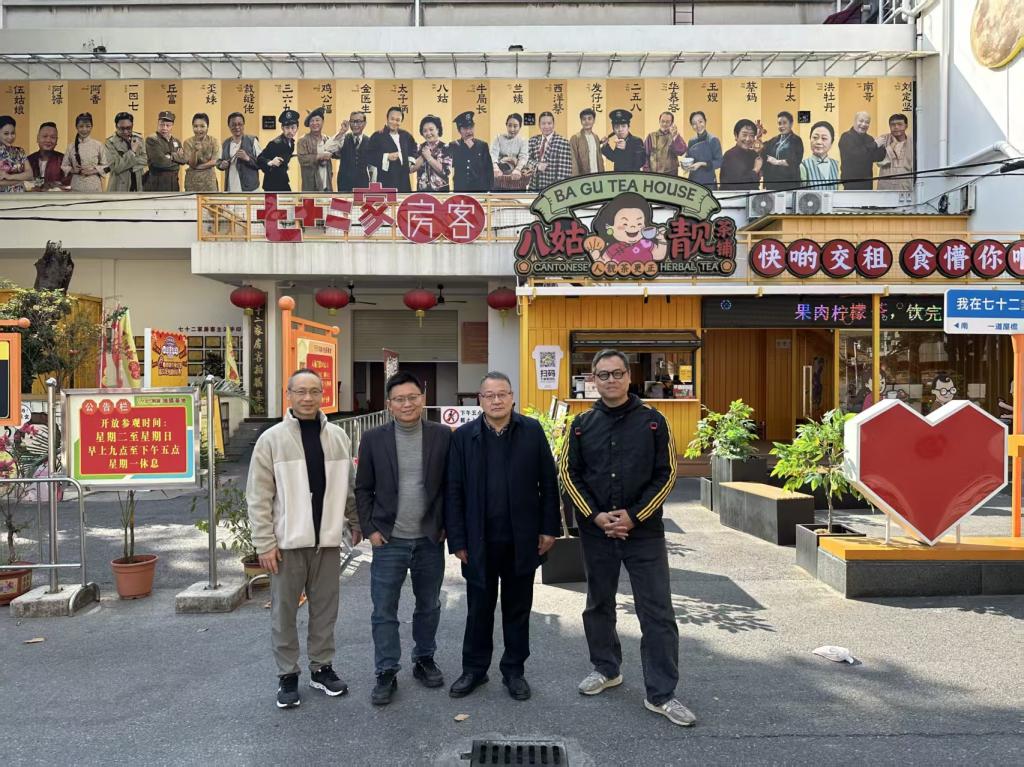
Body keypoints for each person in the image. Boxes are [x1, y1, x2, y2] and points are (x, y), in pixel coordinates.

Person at [561, 349, 693, 728]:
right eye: (603, 375)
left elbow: (667, 474)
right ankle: (606, 669)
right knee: (598, 603)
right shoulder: (581, 424)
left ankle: (662, 694)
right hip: (597, 533)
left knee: (657, 611)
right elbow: (569, 474)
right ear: (593, 380)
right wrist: (596, 515)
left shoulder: (654, 421)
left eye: (617, 373)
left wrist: (634, 516)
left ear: (628, 377)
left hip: (643, 533)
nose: (611, 380)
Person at [246, 368, 361, 709]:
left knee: (325, 610)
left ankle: (321, 668)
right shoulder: (272, 439)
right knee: (284, 612)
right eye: (301, 391)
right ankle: (287, 674)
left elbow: (349, 487)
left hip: (327, 541)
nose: (308, 398)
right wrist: (264, 542)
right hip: (287, 545)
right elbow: (258, 496)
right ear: (289, 395)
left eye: (314, 391)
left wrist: (355, 521)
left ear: (323, 395)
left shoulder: (338, 437)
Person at [445, 372, 560, 702]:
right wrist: (458, 540)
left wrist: (549, 528)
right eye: (489, 395)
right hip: (479, 541)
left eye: (502, 394)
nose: (496, 400)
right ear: (479, 400)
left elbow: (548, 482)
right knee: (478, 610)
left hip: (522, 539)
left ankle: (514, 671)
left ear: (512, 397)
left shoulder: (531, 431)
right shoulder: (464, 436)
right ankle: (474, 669)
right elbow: (453, 490)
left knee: (518, 609)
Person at [355, 371, 452, 706]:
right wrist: (370, 529)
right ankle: (386, 670)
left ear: (422, 399)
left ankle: (424, 659)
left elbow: (452, 486)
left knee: (429, 604)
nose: (407, 404)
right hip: (389, 539)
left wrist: (446, 526)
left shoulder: (442, 435)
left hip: (429, 539)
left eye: (412, 397)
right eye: (399, 399)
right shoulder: (373, 439)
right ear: (389, 404)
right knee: (384, 609)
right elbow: (363, 489)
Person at [368, 106, 417, 192]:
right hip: (385, 179)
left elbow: (414, 149)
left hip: (404, 179)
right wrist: (386, 157)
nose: (394, 122)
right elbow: (369, 156)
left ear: (401, 121)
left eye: (398, 120)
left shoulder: (406, 135)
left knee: (403, 199)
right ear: (387, 118)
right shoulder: (377, 136)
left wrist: (410, 161)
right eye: (392, 119)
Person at [298, 107, 345, 193]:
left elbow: (338, 154)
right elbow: (302, 159)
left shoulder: (326, 139)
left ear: (322, 122)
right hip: (310, 185)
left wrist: (341, 132)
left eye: (317, 120)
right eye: (312, 121)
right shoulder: (303, 140)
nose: (314, 123)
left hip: (327, 184)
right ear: (309, 124)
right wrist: (320, 156)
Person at [838, 111, 885, 190]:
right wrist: (875, 144)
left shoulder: (870, 139)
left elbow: (877, 158)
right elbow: (855, 155)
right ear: (855, 121)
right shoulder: (846, 137)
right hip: (851, 183)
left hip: (867, 183)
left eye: (867, 122)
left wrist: (881, 146)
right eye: (861, 121)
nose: (864, 124)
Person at [62, 112, 107, 193]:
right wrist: (74, 170)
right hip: (76, 186)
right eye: (81, 126)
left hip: (94, 187)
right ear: (76, 127)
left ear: (92, 127)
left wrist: (91, 171)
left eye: (88, 126)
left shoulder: (98, 145)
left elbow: (107, 167)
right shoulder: (71, 146)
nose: (84, 129)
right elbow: (64, 166)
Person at [527, 111, 572, 191]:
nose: (546, 126)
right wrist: (537, 165)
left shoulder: (563, 142)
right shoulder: (532, 140)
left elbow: (564, 173)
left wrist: (557, 191)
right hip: (533, 188)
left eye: (549, 123)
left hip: (552, 190)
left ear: (554, 124)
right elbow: (525, 160)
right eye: (543, 123)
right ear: (539, 125)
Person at [217, 112, 261, 193]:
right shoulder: (225, 143)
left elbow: (261, 163)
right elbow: (219, 162)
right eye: (233, 125)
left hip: (250, 189)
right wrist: (221, 165)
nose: (237, 127)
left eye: (240, 124)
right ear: (229, 126)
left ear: (243, 125)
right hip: (231, 187)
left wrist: (247, 158)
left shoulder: (252, 141)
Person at [103, 113, 147, 193]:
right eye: (122, 128)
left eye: (128, 128)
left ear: (132, 125)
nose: (125, 131)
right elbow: (116, 167)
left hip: (138, 184)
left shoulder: (139, 139)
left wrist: (125, 164)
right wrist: (132, 152)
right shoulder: (110, 143)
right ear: (116, 126)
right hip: (119, 186)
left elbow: (146, 159)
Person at [257, 109, 300, 192]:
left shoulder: (291, 142)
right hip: (271, 184)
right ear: (282, 128)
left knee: (289, 199)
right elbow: (259, 158)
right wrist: (270, 162)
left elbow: (285, 154)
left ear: (297, 128)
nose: (290, 131)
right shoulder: (275, 143)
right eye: (287, 128)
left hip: (282, 180)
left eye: (293, 128)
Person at [760, 111, 804, 191]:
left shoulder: (796, 140)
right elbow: (762, 151)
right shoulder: (774, 140)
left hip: (789, 183)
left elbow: (796, 160)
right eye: (779, 123)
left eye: (784, 123)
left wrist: (777, 162)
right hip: (773, 183)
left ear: (791, 124)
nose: (781, 126)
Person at [449, 111, 491, 192]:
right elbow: (449, 166)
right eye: (465, 128)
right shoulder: (453, 145)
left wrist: (489, 191)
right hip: (460, 190)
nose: (468, 131)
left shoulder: (482, 145)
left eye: (471, 127)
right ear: (459, 130)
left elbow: (489, 170)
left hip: (479, 190)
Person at [144, 111, 186, 192]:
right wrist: (177, 160)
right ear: (158, 123)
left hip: (174, 184)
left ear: (172, 125)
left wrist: (170, 156)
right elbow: (160, 162)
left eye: (168, 125)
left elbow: (184, 160)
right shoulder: (152, 139)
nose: (164, 128)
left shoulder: (176, 141)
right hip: (157, 184)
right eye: (162, 124)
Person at [411, 114, 452, 192]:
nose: (428, 133)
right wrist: (423, 156)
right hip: (421, 192)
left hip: (441, 193)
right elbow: (411, 169)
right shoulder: (419, 148)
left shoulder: (446, 147)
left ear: (438, 130)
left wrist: (429, 157)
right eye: (425, 131)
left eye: (431, 129)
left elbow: (445, 172)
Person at [719, 118, 763, 190]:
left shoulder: (754, 154)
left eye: (751, 135)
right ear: (736, 135)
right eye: (744, 135)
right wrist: (755, 170)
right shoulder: (729, 155)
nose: (748, 139)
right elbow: (738, 185)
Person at [683, 111, 723, 189]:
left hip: (708, 180)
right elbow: (688, 158)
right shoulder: (691, 141)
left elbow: (719, 162)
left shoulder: (713, 140)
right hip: (693, 180)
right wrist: (685, 165)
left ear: (705, 121)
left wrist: (701, 164)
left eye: (700, 121)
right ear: (691, 125)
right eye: (694, 123)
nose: (698, 125)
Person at [490, 112, 529, 191]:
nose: (512, 129)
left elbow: (523, 157)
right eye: (509, 125)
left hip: (516, 177)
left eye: (515, 126)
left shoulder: (523, 141)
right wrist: (495, 167)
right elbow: (493, 154)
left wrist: (518, 169)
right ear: (506, 125)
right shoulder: (498, 138)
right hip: (499, 174)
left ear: (520, 127)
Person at [875, 113, 914, 192]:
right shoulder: (883, 139)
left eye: (899, 124)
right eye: (893, 124)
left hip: (905, 187)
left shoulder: (913, 141)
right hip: (885, 188)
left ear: (906, 126)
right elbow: (879, 162)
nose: (896, 127)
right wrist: (892, 146)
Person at [182, 112, 220, 193]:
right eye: (195, 126)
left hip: (209, 182)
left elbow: (215, 161)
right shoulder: (187, 142)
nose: (199, 129)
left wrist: (198, 167)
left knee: (210, 201)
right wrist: (194, 151)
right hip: (192, 182)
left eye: (202, 126)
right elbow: (192, 164)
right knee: (192, 201)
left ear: (207, 127)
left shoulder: (214, 141)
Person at [334, 111, 370, 192]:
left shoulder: (369, 141)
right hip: (344, 183)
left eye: (358, 121)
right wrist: (341, 132)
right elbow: (331, 150)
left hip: (363, 184)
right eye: (352, 121)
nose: (355, 125)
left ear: (365, 123)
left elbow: (372, 167)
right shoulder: (343, 138)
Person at [27, 122, 69, 190]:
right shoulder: (28, 161)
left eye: (53, 137)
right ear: (37, 138)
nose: (48, 140)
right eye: (45, 136)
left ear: (57, 140)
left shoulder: (63, 160)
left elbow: (68, 185)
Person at [800, 121, 840, 191]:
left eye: (824, 138)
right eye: (815, 137)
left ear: (832, 142)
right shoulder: (802, 166)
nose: (819, 142)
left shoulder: (838, 166)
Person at [569, 108, 606, 177]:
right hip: (583, 177)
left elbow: (600, 159)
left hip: (597, 176)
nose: (587, 121)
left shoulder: (596, 137)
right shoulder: (575, 138)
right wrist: (575, 178)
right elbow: (573, 161)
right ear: (581, 121)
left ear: (594, 120)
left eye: (589, 118)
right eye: (584, 119)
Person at [0, 116, 32, 193]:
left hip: (21, 196)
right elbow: (1, 183)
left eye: (13, 133)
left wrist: (9, 177)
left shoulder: (20, 151)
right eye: (6, 134)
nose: (10, 137)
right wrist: (21, 181)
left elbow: (30, 175)